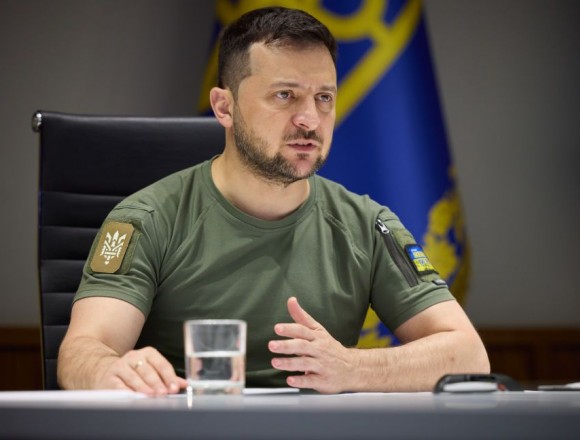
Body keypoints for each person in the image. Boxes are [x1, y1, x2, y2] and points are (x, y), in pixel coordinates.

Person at [57, 6, 489, 396]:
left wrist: (352, 367)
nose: (309, 119)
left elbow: (468, 355)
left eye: (324, 98)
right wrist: (110, 371)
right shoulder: (147, 219)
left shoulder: (365, 224)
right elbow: (81, 352)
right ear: (224, 107)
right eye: (285, 95)